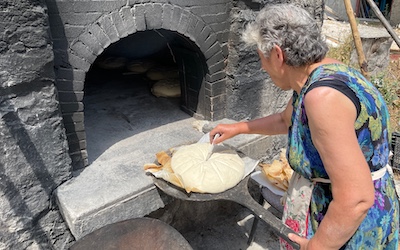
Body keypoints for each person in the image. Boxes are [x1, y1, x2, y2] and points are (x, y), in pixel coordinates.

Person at [209, 3, 399, 249]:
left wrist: (318, 245)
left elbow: (356, 199)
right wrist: (239, 128)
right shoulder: (321, 74)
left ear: (278, 55)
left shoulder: (323, 98)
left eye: (261, 58)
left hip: (347, 224)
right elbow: (285, 120)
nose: (263, 68)